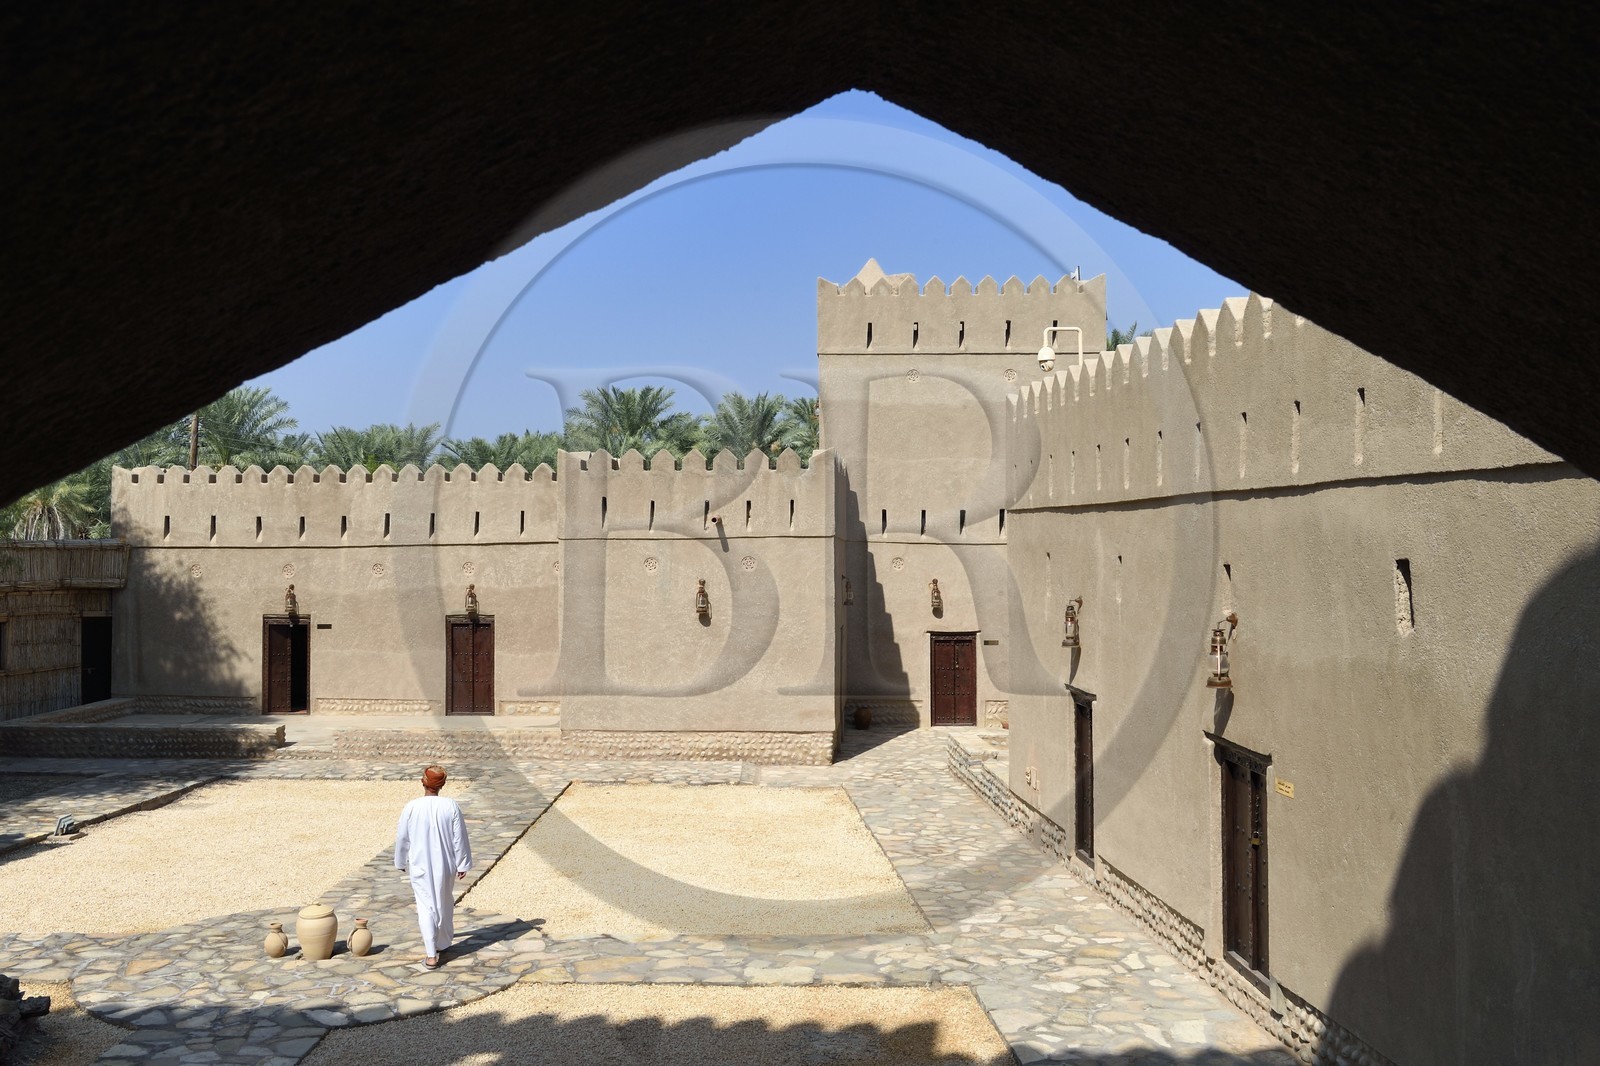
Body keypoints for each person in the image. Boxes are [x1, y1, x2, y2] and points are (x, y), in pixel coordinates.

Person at [393, 764, 473, 968]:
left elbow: (402, 837)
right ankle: (438, 946)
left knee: (426, 906)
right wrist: (462, 863)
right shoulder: (450, 805)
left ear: (423, 782)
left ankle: (433, 952)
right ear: (442, 785)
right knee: (443, 902)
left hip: (420, 864)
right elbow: (460, 837)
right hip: (446, 864)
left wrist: (400, 860)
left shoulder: (412, 806)